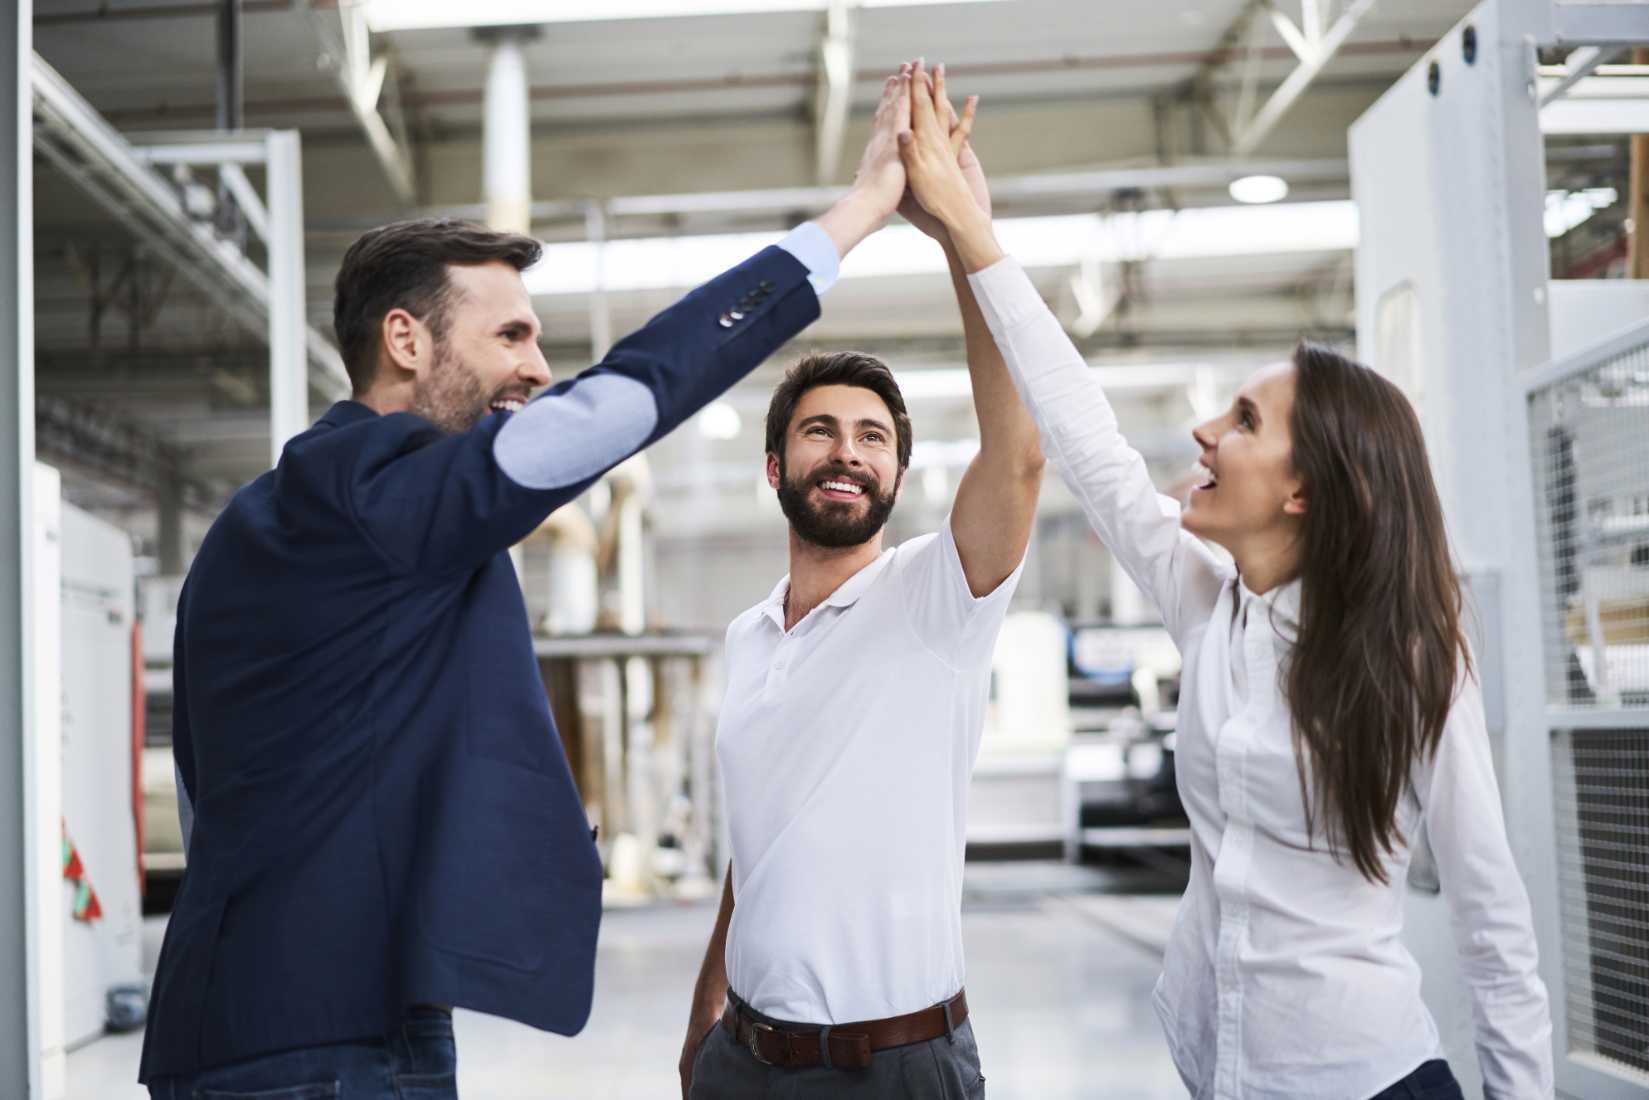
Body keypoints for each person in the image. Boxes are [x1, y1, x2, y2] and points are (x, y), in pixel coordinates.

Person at [138, 67, 919, 1100]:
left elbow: (207, 785)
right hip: (325, 1036)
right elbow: (625, 398)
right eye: (509, 333)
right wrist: (855, 216)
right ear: (405, 339)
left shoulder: (264, 518)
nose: (537, 367)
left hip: (273, 1008)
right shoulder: (379, 490)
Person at [896, 64, 1554, 1100]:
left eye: (1243, 421)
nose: (1204, 432)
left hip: (1368, 1077)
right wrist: (971, 229)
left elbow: (1492, 920)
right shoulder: (1204, 595)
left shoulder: (1412, 662)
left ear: (1304, 491)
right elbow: (1082, 427)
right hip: (1220, 1070)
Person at [677, 61, 1043, 1100]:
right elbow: (756, 848)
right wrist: (704, 1009)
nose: (845, 451)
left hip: (899, 1065)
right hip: (742, 1058)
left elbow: (1016, 455)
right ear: (774, 467)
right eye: (819, 431)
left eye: (871, 436)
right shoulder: (749, 636)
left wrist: (965, 231)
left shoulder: (939, 597)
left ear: (895, 473)